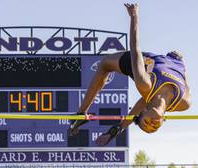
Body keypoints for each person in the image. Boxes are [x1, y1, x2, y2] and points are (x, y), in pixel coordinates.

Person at [68, 3, 191, 146]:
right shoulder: (183, 103)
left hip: (145, 64)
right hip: (174, 61)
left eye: (147, 123)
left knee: (105, 63)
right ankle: (117, 127)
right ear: (163, 120)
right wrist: (181, 61)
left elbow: (135, 48)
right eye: (154, 128)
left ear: (144, 111)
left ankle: (81, 114)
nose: (152, 124)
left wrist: (134, 15)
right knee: (149, 96)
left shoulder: (144, 84)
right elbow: (185, 78)